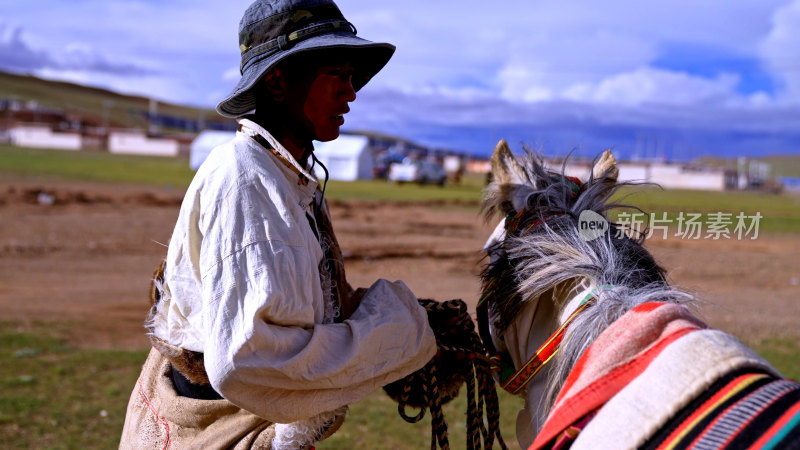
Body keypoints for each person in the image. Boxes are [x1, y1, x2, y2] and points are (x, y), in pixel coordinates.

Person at [120, 0, 437, 448]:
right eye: (336, 75)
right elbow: (250, 359)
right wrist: (399, 332)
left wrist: (416, 324)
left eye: (352, 77)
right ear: (277, 82)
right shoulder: (243, 178)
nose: (351, 92)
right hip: (218, 427)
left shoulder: (290, 178)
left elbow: (309, 307)